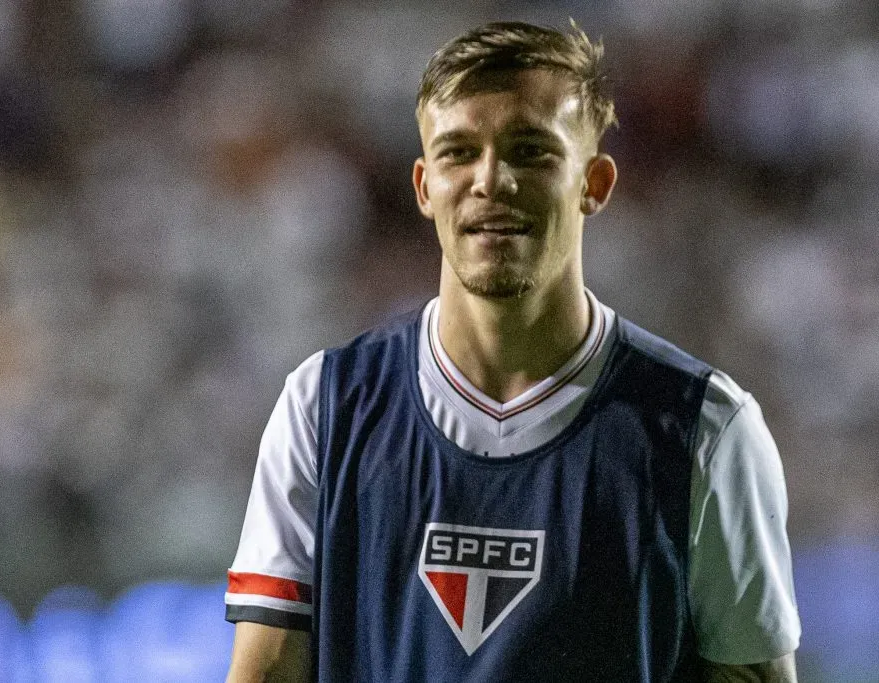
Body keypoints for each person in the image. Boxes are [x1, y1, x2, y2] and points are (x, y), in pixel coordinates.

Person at [223, 20, 801, 682]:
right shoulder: (322, 407)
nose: (490, 179)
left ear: (595, 183)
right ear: (422, 185)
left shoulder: (706, 429)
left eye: (530, 151)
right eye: (458, 152)